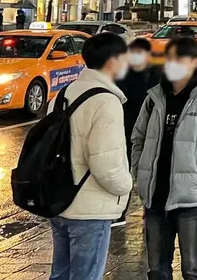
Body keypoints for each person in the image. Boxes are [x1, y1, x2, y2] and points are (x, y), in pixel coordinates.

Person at [131, 36, 197, 280]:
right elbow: (138, 138)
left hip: (192, 201)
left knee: (192, 267)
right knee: (157, 269)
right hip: (155, 198)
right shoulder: (154, 99)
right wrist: (139, 170)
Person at [49, 32, 132, 280]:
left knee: (61, 275)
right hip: (90, 209)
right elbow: (105, 164)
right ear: (113, 60)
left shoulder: (64, 93)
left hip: (60, 201)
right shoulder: (106, 101)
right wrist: (126, 186)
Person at [114, 37, 160, 226]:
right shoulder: (122, 75)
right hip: (125, 129)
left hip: (151, 130)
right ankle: (120, 211)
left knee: (149, 170)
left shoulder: (158, 75)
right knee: (123, 170)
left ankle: (150, 208)